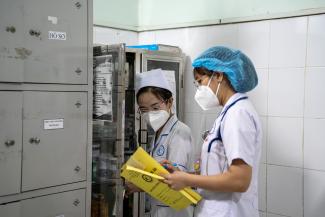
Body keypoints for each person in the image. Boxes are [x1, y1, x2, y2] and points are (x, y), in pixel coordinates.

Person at [161, 46, 262, 217]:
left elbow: (240, 179)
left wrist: (187, 180)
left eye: (200, 82)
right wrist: (183, 175)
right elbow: (218, 173)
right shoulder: (229, 113)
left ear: (219, 75)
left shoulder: (238, 114)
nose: (198, 90)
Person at [126, 68, 194, 217]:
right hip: (159, 208)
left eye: (155, 108)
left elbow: (176, 179)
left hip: (175, 211)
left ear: (169, 102)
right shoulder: (158, 133)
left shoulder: (180, 132)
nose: (150, 114)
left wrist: (140, 185)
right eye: (144, 109)